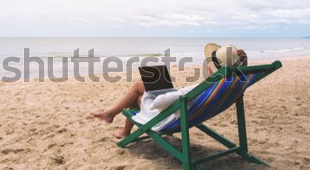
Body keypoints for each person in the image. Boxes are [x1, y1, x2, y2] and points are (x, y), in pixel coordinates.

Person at [90, 43, 248, 139]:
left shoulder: (206, 87)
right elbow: (243, 77)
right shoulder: (229, 85)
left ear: (212, 68)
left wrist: (163, 92)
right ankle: (118, 123)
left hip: (168, 117)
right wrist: (243, 62)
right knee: (142, 87)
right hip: (181, 109)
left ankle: (113, 116)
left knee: (138, 91)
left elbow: (161, 102)